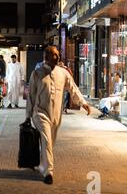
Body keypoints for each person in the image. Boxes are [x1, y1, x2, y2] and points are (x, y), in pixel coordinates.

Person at [26, 46, 91, 185]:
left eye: (57, 54)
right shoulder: (37, 73)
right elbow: (31, 95)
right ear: (46, 57)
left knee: (49, 142)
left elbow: (73, 88)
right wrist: (28, 115)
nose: (57, 57)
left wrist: (83, 103)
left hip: (56, 115)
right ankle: (49, 172)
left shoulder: (64, 73)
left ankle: (41, 164)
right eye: (54, 55)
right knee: (47, 140)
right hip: (40, 113)